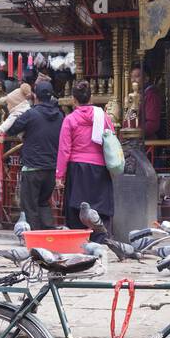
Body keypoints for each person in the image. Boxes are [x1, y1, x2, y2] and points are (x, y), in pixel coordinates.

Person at [56, 81, 115, 241]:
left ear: (74, 100)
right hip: (100, 169)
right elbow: (112, 139)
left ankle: (79, 242)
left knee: (77, 209)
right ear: (91, 98)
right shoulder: (103, 117)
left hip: (77, 170)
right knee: (100, 209)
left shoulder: (70, 119)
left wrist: (59, 175)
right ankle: (101, 241)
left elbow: (64, 150)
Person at [9, 82, 63, 228]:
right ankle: (48, 234)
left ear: (34, 95)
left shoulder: (30, 114)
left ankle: (35, 237)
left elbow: (12, 129)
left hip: (33, 168)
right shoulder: (60, 116)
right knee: (43, 203)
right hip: (51, 168)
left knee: (30, 206)